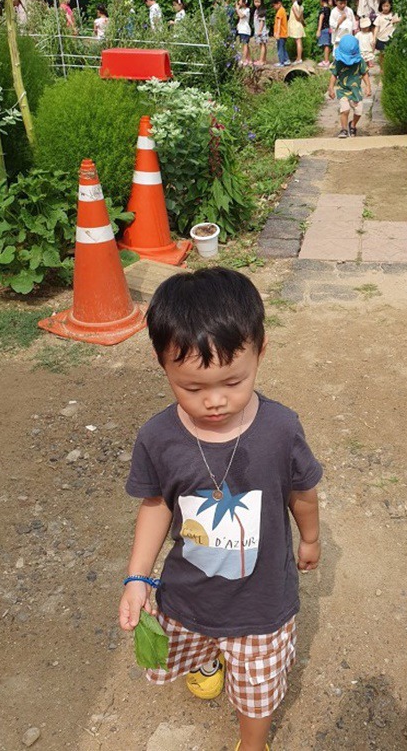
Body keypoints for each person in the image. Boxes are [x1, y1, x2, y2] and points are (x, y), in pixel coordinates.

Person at [119, 268, 322, 751]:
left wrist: (310, 538)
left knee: (256, 691)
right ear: (162, 363)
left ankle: (252, 744)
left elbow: (302, 491)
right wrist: (137, 576)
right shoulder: (158, 438)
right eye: (192, 388)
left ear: (261, 351)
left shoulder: (280, 429)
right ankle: (209, 657)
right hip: (190, 594)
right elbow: (156, 504)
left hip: (261, 602)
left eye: (233, 381)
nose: (214, 401)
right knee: (193, 640)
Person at [328, 34, 368, 139]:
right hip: (343, 90)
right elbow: (334, 75)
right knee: (345, 110)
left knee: (359, 112)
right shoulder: (338, 62)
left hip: (356, 91)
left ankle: (353, 125)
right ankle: (344, 129)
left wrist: (368, 86)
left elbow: (364, 73)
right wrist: (331, 88)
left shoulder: (360, 61)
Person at [373, 0, 401, 65]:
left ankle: (390, 66)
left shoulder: (393, 15)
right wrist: (374, 38)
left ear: (390, 6)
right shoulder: (379, 17)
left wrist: (396, 20)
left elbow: (400, 19)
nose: (385, 8)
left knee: (391, 53)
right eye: (383, 6)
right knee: (382, 54)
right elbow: (376, 27)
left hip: (391, 38)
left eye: (387, 6)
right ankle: (382, 68)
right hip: (381, 38)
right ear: (381, 6)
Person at [357, 16, 375, 97]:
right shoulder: (358, 34)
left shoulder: (370, 34)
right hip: (361, 52)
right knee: (361, 66)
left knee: (366, 67)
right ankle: (363, 77)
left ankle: (366, 79)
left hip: (368, 51)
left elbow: (372, 42)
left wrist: (372, 48)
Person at [270, 0, 290, 67]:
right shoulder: (283, 10)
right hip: (284, 33)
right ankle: (286, 60)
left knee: (280, 48)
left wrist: (277, 33)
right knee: (283, 47)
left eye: (274, 5)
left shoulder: (279, 12)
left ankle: (281, 62)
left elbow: (278, 23)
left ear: (279, 3)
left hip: (281, 34)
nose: (273, 7)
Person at [287, 0, 306, 64]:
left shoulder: (294, 6)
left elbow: (298, 17)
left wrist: (299, 14)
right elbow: (302, 18)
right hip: (299, 25)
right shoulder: (301, 6)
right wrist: (304, 23)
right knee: (299, 42)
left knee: (298, 42)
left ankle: (299, 59)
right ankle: (299, 57)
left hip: (295, 25)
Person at [251, 0, 268, 67]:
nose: (256, 3)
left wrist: (260, 31)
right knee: (262, 45)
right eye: (255, 1)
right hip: (259, 31)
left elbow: (261, 22)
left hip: (261, 31)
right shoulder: (256, 10)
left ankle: (261, 60)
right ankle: (263, 60)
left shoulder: (261, 11)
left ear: (261, 2)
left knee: (262, 45)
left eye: (258, 2)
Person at [316, 0, 332, 68]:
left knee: (325, 45)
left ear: (321, 0)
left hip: (324, 29)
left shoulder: (323, 9)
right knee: (327, 44)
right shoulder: (329, 9)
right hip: (328, 28)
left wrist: (318, 30)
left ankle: (326, 61)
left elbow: (321, 19)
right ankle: (326, 60)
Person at [235, 0, 252, 66]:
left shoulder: (247, 10)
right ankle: (249, 59)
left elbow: (241, 16)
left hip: (245, 30)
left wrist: (237, 9)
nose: (239, 2)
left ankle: (244, 59)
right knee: (245, 45)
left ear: (245, 2)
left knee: (245, 45)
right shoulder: (242, 9)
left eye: (240, 0)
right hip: (241, 29)